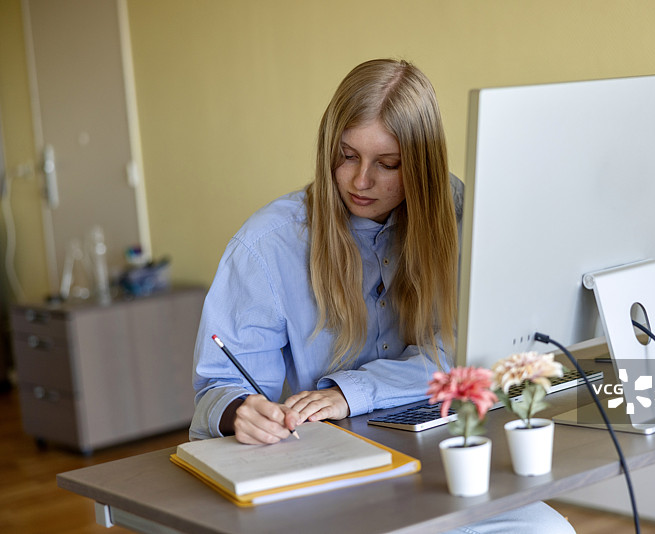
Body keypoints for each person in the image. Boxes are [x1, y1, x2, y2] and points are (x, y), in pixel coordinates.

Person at [190, 58, 574, 533]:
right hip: (335, 485)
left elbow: (472, 351)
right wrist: (239, 412)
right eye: (347, 155)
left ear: (422, 165)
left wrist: (353, 393)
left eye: (388, 164)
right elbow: (219, 385)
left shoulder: (460, 215)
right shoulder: (268, 244)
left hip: (451, 464)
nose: (360, 181)